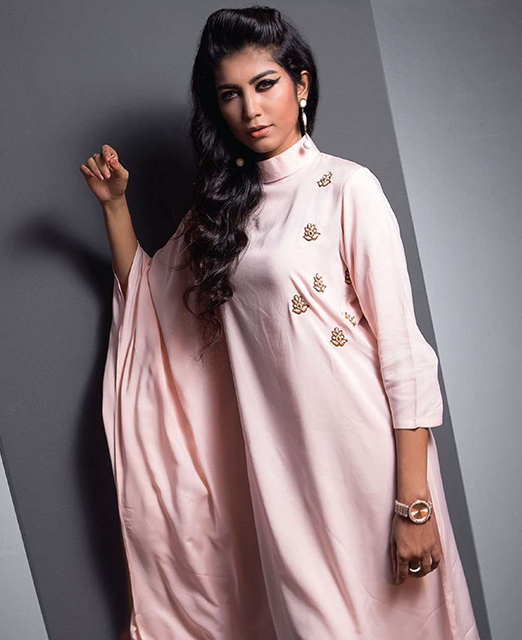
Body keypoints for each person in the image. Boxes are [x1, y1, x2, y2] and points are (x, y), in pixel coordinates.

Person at [79, 6, 480, 640]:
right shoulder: (218, 215)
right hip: (280, 471)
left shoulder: (348, 188)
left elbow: (404, 351)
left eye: (265, 85)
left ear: (301, 84)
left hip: (370, 464)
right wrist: (115, 207)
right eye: (230, 95)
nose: (251, 110)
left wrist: (414, 503)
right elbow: (152, 304)